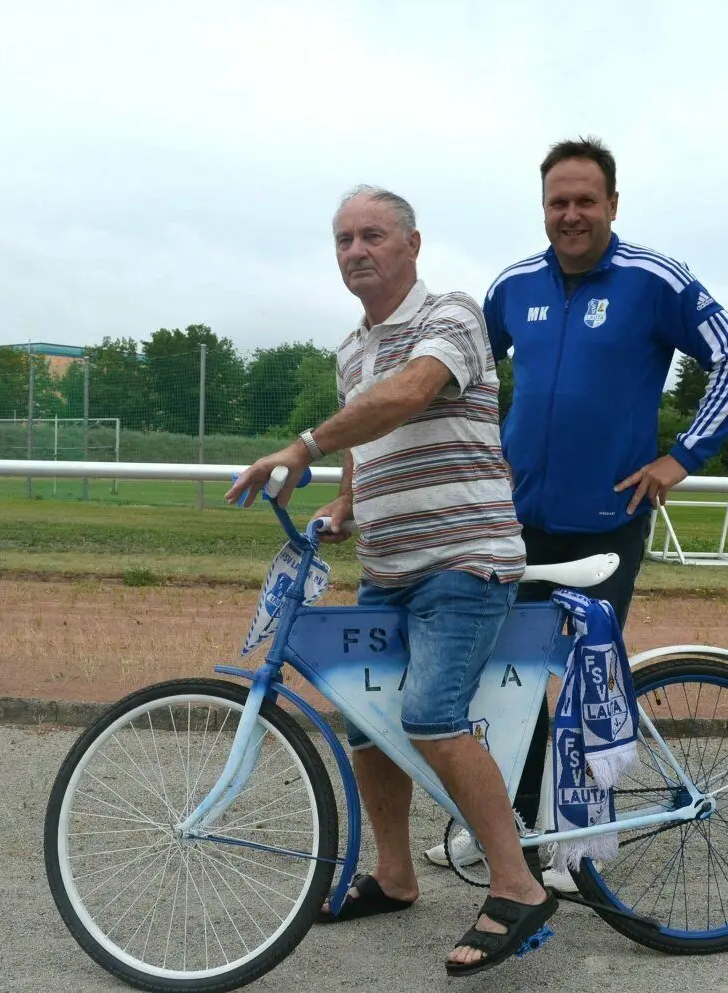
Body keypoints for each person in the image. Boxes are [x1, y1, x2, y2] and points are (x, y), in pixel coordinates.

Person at [225, 185, 554, 976]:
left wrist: (301, 444)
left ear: (413, 244)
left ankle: (518, 884)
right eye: (343, 239)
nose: (356, 250)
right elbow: (366, 438)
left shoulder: (453, 314)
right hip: (387, 566)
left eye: (372, 235)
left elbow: (407, 396)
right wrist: (345, 502)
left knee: (430, 716)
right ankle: (396, 875)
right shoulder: (351, 350)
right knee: (366, 722)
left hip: (464, 560)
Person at [423, 135, 728, 876]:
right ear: (542, 207)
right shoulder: (514, 286)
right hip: (513, 523)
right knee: (502, 682)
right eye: (559, 202)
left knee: (582, 688)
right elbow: (460, 376)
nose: (571, 214)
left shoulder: (653, 279)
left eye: (586, 200)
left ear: (612, 203)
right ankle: (512, 825)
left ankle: (579, 848)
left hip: (607, 526)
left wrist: (682, 457)